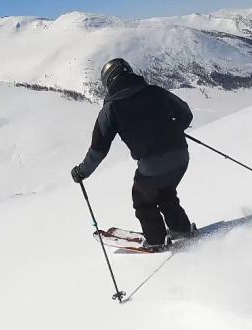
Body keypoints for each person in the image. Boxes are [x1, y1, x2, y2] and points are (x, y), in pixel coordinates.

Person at [71, 58, 197, 251]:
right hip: (181, 157)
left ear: (108, 82)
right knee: (165, 191)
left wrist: (82, 172)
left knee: (143, 200)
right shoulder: (155, 91)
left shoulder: (111, 109)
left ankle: (156, 241)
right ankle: (181, 230)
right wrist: (172, 130)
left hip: (152, 165)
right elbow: (186, 114)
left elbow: (99, 148)